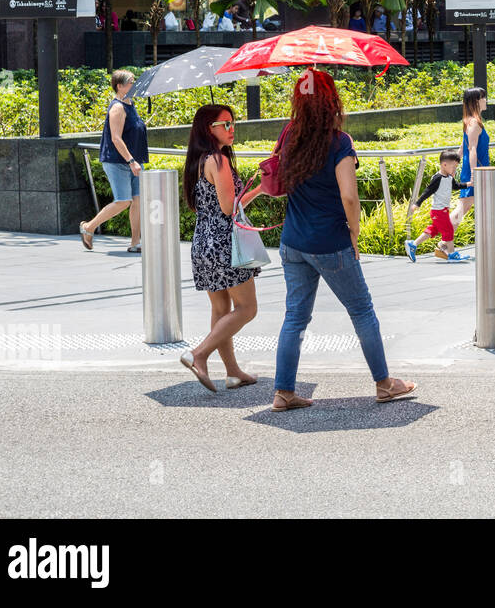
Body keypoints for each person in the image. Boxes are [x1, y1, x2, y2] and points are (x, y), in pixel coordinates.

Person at [271, 68, 416, 411]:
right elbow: (349, 197)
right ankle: (384, 383)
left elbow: (280, 181)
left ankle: (283, 392)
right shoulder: (339, 142)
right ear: (331, 101)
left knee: (295, 317)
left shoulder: (289, 135)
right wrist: (355, 230)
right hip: (331, 243)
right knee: (362, 310)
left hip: (293, 242)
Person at [178, 105, 263, 392]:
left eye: (232, 123)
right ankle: (199, 355)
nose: (231, 128)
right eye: (224, 124)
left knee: (220, 308)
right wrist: (262, 189)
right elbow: (230, 208)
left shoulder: (198, 160)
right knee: (247, 308)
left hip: (203, 241)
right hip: (226, 243)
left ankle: (233, 372)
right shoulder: (218, 159)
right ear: (208, 128)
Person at [450, 87, 495, 257]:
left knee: (490, 206)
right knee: (461, 209)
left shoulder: (470, 121)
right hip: (479, 173)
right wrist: (474, 174)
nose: (485, 101)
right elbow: (473, 149)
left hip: (478, 172)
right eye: (483, 98)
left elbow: (463, 147)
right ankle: (443, 243)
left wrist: (455, 165)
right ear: (476, 101)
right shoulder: (474, 123)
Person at [80, 71, 148, 253]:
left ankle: (135, 242)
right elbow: (116, 138)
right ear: (120, 86)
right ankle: (88, 227)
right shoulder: (117, 108)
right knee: (123, 201)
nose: (134, 85)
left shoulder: (130, 104)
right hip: (118, 161)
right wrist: (131, 161)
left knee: (137, 201)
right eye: (131, 82)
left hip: (134, 161)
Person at [405, 149, 464, 262]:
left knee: (434, 229)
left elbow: (456, 186)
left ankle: (413, 244)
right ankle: (451, 254)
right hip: (438, 211)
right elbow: (428, 191)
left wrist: (468, 184)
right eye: (453, 167)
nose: (454, 169)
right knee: (448, 230)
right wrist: (418, 203)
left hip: (443, 210)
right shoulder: (438, 178)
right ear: (444, 164)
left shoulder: (449, 177)